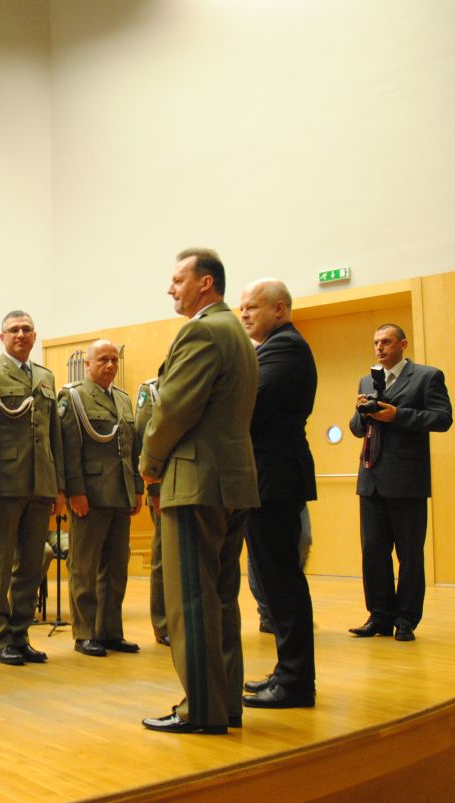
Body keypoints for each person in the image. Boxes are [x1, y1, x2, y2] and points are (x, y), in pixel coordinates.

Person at [139, 248, 259, 736]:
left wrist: (149, 464)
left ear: (205, 283)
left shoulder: (202, 331)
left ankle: (202, 710)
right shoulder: (238, 333)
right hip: (231, 481)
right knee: (221, 598)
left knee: (190, 601)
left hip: (194, 482)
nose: (170, 288)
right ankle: (225, 703)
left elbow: (173, 409)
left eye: (178, 279)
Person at [237, 278, 318, 709]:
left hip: (275, 477)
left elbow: (248, 407)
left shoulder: (284, 347)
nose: (244, 314)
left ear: (280, 309)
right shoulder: (273, 346)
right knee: (274, 581)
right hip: (268, 476)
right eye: (242, 308)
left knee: (282, 582)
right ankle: (288, 671)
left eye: (252, 307)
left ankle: (295, 682)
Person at [348, 324, 452, 642]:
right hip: (371, 479)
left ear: (403, 344)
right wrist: (361, 412)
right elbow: (356, 429)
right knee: (373, 552)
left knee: (409, 555)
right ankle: (379, 616)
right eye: (376, 342)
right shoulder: (368, 380)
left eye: (386, 342)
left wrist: (399, 415)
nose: (379, 348)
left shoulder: (426, 376)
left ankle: (405, 618)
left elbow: (442, 418)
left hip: (407, 481)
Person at [0, 310, 65, 665]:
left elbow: (54, 436)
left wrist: (59, 486)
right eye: (13, 329)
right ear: (2, 337)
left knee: (31, 564)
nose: (20, 334)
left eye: (27, 329)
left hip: (40, 483)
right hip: (5, 484)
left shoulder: (45, 377)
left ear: (34, 336)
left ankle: (20, 634)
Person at [58, 339, 142, 658]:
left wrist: (136, 488)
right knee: (85, 566)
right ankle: (84, 632)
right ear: (88, 364)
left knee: (116, 567)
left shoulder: (122, 398)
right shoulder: (73, 397)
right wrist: (75, 491)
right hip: (90, 495)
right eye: (103, 360)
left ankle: (110, 631)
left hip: (120, 493)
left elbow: (131, 448)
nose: (110, 365)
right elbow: (69, 449)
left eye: (114, 360)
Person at [134, 378, 169, 646]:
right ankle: (163, 624)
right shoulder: (152, 389)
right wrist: (153, 489)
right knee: (163, 558)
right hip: (162, 486)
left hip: (195, 483)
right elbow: (144, 439)